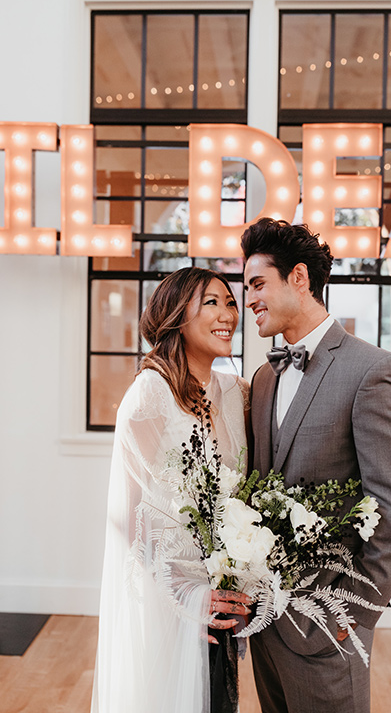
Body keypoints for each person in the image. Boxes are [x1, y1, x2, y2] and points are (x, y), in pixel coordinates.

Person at [241, 218, 391, 713]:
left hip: (326, 624)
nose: (249, 300)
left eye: (258, 283)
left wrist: (351, 609)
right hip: (265, 625)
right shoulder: (263, 378)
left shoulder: (373, 370)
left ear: (299, 278)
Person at [91, 266, 251, 713]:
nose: (229, 314)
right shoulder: (149, 396)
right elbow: (130, 522)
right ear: (178, 316)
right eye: (212, 303)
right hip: (170, 605)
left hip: (222, 600)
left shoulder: (236, 394)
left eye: (231, 302)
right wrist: (181, 599)